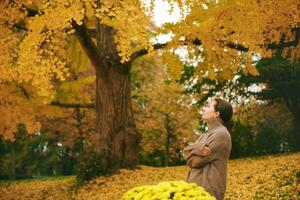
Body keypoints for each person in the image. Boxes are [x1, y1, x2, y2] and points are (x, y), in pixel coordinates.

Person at [183, 98, 233, 200]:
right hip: (195, 190)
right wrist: (198, 147)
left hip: (208, 191)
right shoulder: (204, 136)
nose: (204, 108)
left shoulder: (221, 134)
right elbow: (185, 153)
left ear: (216, 114)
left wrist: (191, 152)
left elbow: (196, 161)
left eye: (208, 106)